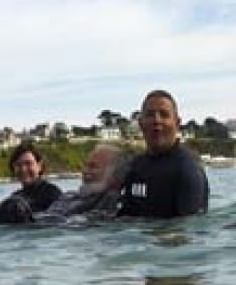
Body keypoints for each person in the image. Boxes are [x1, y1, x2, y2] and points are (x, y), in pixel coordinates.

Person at [116, 90, 210, 218]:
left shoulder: (187, 170)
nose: (157, 121)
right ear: (141, 123)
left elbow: (189, 229)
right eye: (150, 115)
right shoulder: (134, 167)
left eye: (164, 115)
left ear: (177, 124)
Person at [0, 142, 63, 225]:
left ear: (39, 166)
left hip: (33, 232)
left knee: (13, 205)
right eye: (18, 165)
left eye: (28, 163)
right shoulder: (16, 195)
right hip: (7, 232)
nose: (23, 169)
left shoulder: (52, 192)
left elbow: (58, 219)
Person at [41, 144, 130, 220]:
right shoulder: (68, 196)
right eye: (86, 165)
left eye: (93, 167)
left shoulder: (114, 203)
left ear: (115, 175)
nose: (85, 171)